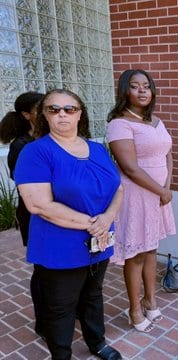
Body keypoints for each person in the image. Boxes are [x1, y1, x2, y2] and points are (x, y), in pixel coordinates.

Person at [14, 89, 124, 360]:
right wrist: (92, 223)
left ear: (80, 114)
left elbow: (118, 188)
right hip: (59, 245)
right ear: (44, 115)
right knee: (60, 307)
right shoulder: (35, 152)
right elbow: (38, 204)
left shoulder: (97, 149)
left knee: (93, 295)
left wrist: (108, 218)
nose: (62, 113)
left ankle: (97, 342)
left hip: (100, 240)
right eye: (54, 109)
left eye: (69, 109)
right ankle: (61, 355)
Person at [107, 69, 176, 333]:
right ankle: (134, 309)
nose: (142, 91)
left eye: (146, 86)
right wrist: (161, 191)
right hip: (136, 194)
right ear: (125, 91)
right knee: (135, 254)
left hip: (159, 193)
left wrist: (166, 188)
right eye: (135, 86)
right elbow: (131, 168)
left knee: (151, 248)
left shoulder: (156, 121)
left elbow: (168, 154)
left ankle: (151, 300)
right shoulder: (119, 124)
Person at [0, 91, 45, 339]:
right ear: (26, 115)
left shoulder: (47, 138)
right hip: (33, 214)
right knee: (42, 269)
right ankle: (43, 321)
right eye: (42, 108)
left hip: (53, 213)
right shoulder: (21, 145)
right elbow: (25, 184)